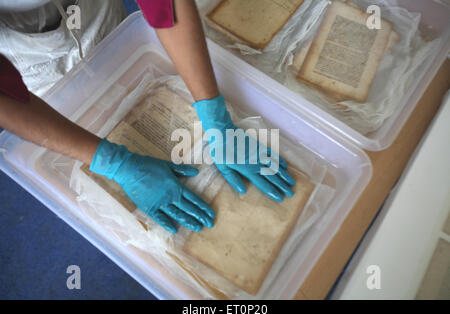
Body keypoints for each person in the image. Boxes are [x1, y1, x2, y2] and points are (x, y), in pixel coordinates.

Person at [0, 0, 295, 234]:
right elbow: (6, 100)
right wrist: (115, 164)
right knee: (77, 113)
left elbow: (167, 7)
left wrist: (214, 116)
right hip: (21, 52)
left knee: (123, 60)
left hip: (96, 11)